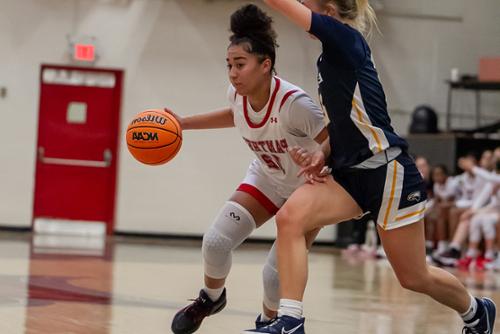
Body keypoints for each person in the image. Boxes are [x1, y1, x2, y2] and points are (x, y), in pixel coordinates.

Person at [245, 1, 496, 333]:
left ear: (329, 11)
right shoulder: (328, 55)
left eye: (309, 3)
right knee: (291, 217)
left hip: (387, 171)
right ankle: (290, 321)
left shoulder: (344, 37)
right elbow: (346, 122)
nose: (303, 6)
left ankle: (477, 311)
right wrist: (322, 152)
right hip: (351, 174)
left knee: (413, 276)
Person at [168, 4, 328, 334]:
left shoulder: (295, 105)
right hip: (268, 178)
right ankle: (211, 298)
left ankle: (269, 323)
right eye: (229, 65)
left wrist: (318, 161)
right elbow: (234, 115)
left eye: (240, 64)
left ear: (265, 64)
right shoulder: (237, 94)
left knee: (273, 275)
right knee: (215, 242)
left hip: (307, 187)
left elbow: (335, 140)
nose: (232, 72)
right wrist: (183, 124)